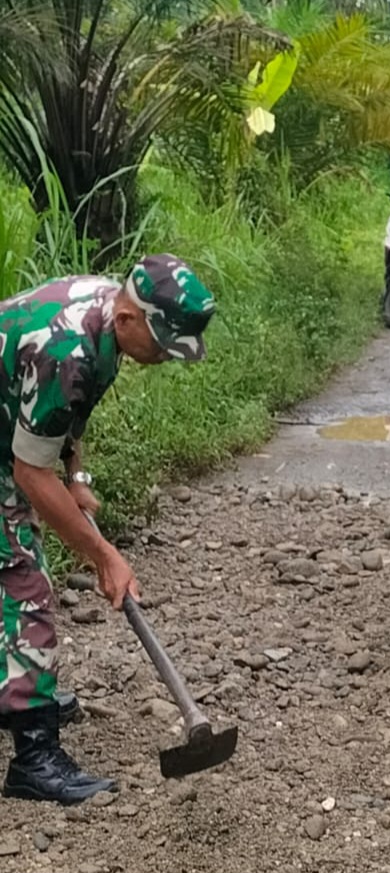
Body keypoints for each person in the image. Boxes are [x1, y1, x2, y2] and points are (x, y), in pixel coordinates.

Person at [0, 254, 216, 803]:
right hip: (8, 451)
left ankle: (17, 686)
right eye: (162, 343)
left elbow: (65, 414)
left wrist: (76, 474)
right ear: (128, 319)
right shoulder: (67, 349)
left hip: (10, 429)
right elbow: (29, 472)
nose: (166, 356)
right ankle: (34, 754)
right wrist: (103, 555)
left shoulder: (106, 317)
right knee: (23, 581)